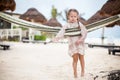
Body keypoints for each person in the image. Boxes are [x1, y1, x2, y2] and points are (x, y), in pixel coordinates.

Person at [52, 9, 87, 78]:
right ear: (68, 16)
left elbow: (85, 32)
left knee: (81, 58)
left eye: (75, 16)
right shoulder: (67, 25)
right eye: (71, 16)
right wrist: (56, 38)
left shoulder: (79, 24)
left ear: (77, 17)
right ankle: (75, 72)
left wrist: (80, 39)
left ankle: (83, 70)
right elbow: (61, 32)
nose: (73, 18)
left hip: (80, 44)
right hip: (73, 45)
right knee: (75, 59)